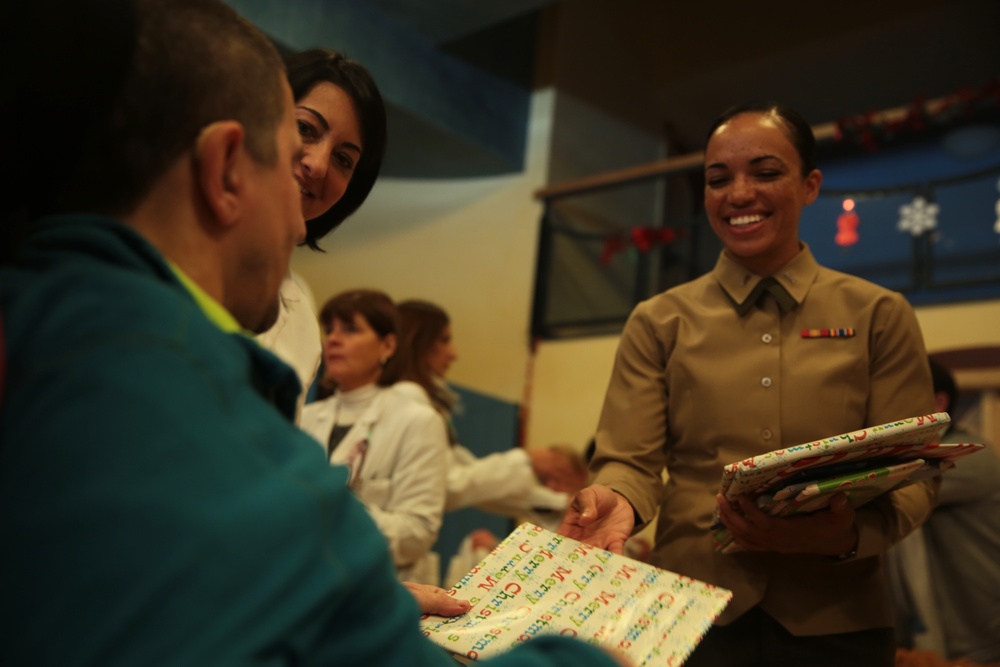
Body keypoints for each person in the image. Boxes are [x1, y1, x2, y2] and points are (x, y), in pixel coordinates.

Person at [0, 2, 623, 665]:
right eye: (292, 143)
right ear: (228, 167)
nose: (305, 210)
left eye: (345, 159)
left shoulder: (40, 311)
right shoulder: (190, 408)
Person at [559, 101, 938, 667]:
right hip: (689, 615)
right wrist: (614, 499)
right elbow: (629, 461)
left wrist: (845, 536)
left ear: (809, 185)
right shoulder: (660, 320)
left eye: (765, 172)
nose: (738, 194)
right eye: (718, 179)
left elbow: (914, 471)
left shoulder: (878, 313)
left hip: (839, 622)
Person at [255, 48, 387, 408]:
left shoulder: (300, 314)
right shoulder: (166, 243)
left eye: (344, 159)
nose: (318, 165)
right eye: (304, 128)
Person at [300, 290, 449, 585]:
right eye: (329, 329)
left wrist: (334, 509)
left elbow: (418, 532)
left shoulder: (417, 420)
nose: (333, 339)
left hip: (371, 590)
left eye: (350, 329)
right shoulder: (304, 417)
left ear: (388, 345)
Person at [393, 299, 588, 518]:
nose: (453, 354)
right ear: (418, 342)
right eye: (444, 340)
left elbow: (474, 483)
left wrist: (561, 502)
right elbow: (447, 486)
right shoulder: (405, 402)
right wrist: (526, 459)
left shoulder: (425, 403)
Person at [887, 358, 1000, 664]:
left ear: (939, 403)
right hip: (942, 633)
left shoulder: (972, 455)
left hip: (982, 633)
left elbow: (889, 485)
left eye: (901, 397)